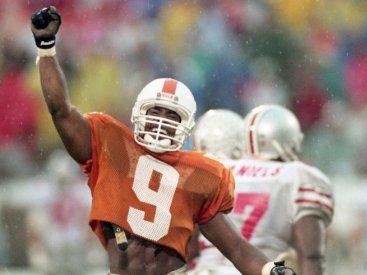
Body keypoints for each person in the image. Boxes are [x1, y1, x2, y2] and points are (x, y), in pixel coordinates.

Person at [30, 6, 296, 275]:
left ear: (186, 125)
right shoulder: (112, 147)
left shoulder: (199, 175)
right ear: (138, 113)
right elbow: (60, 110)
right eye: (155, 111)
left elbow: (235, 247)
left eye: (171, 115)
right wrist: (46, 48)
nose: (161, 121)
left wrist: (270, 270)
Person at [190, 105, 334, 275]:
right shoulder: (297, 175)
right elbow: (311, 256)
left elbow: (190, 248)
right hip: (262, 269)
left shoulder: (218, 170)